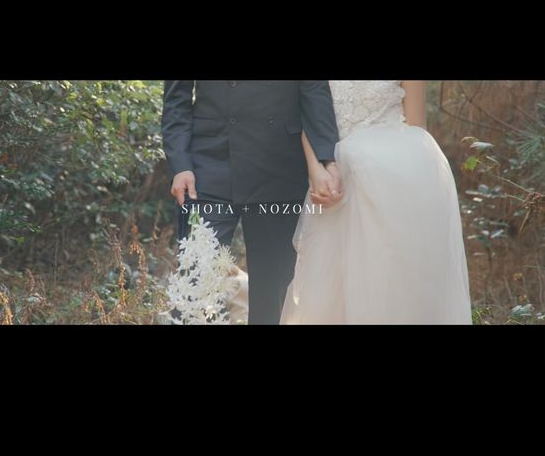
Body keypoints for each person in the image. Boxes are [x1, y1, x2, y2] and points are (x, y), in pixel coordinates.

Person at [281, 81, 472, 325]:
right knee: (332, 290)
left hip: (394, 184)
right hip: (335, 179)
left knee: (393, 283)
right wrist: (316, 168)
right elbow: (308, 111)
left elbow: (416, 126)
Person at [162, 81, 341, 325]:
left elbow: (314, 90)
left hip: (279, 166)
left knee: (272, 295)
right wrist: (181, 164)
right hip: (208, 166)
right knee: (195, 282)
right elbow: (176, 100)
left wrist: (327, 159)